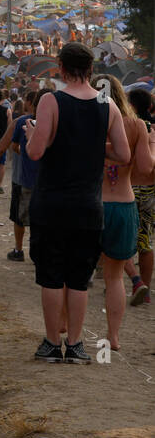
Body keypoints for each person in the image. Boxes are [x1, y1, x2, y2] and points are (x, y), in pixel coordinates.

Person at [25, 43, 130, 364]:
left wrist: (31, 132)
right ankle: (76, 344)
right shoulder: (106, 102)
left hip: (52, 202)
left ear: (60, 66)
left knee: (52, 275)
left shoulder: (51, 101)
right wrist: (96, 148)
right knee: (79, 277)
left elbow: (35, 151)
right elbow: (124, 154)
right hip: (88, 205)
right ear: (90, 68)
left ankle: (50, 342)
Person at [92, 75, 152, 352]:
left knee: (77, 271)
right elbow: (144, 169)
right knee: (115, 277)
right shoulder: (137, 125)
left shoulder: (87, 121)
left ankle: (64, 329)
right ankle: (112, 337)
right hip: (123, 201)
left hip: (91, 201)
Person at [0, 90, 40, 262]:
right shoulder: (55, 123)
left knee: (19, 217)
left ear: (32, 102)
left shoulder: (21, 122)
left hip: (22, 177)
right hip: (46, 181)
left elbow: (2, 148)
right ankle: (38, 251)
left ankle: (18, 249)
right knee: (41, 219)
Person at [128, 88, 155, 305]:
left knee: (122, 241)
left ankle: (120, 281)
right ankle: (145, 288)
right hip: (151, 190)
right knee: (146, 243)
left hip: (130, 188)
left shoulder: (130, 127)